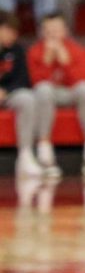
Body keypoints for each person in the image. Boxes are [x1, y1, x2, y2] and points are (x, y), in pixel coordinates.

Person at [27, 12, 85, 179]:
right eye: (49, 30)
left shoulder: (75, 48)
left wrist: (65, 60)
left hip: (70, 92)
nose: (53, 34)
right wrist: (47, 59)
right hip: (50, 94)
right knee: (43, 89)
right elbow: (35, 82)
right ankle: (44, 151)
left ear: (65, 31)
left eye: (57, 30)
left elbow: (82, 78)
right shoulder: (35, 51)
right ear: (42, 32)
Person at [0, 10, 40, 178]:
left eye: (15, 32)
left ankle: (25, 154)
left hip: (9, 94)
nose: (13, 35)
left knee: (27, 98)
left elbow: (24, 80)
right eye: (8, 30)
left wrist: (6, 91)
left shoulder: (18, 50)